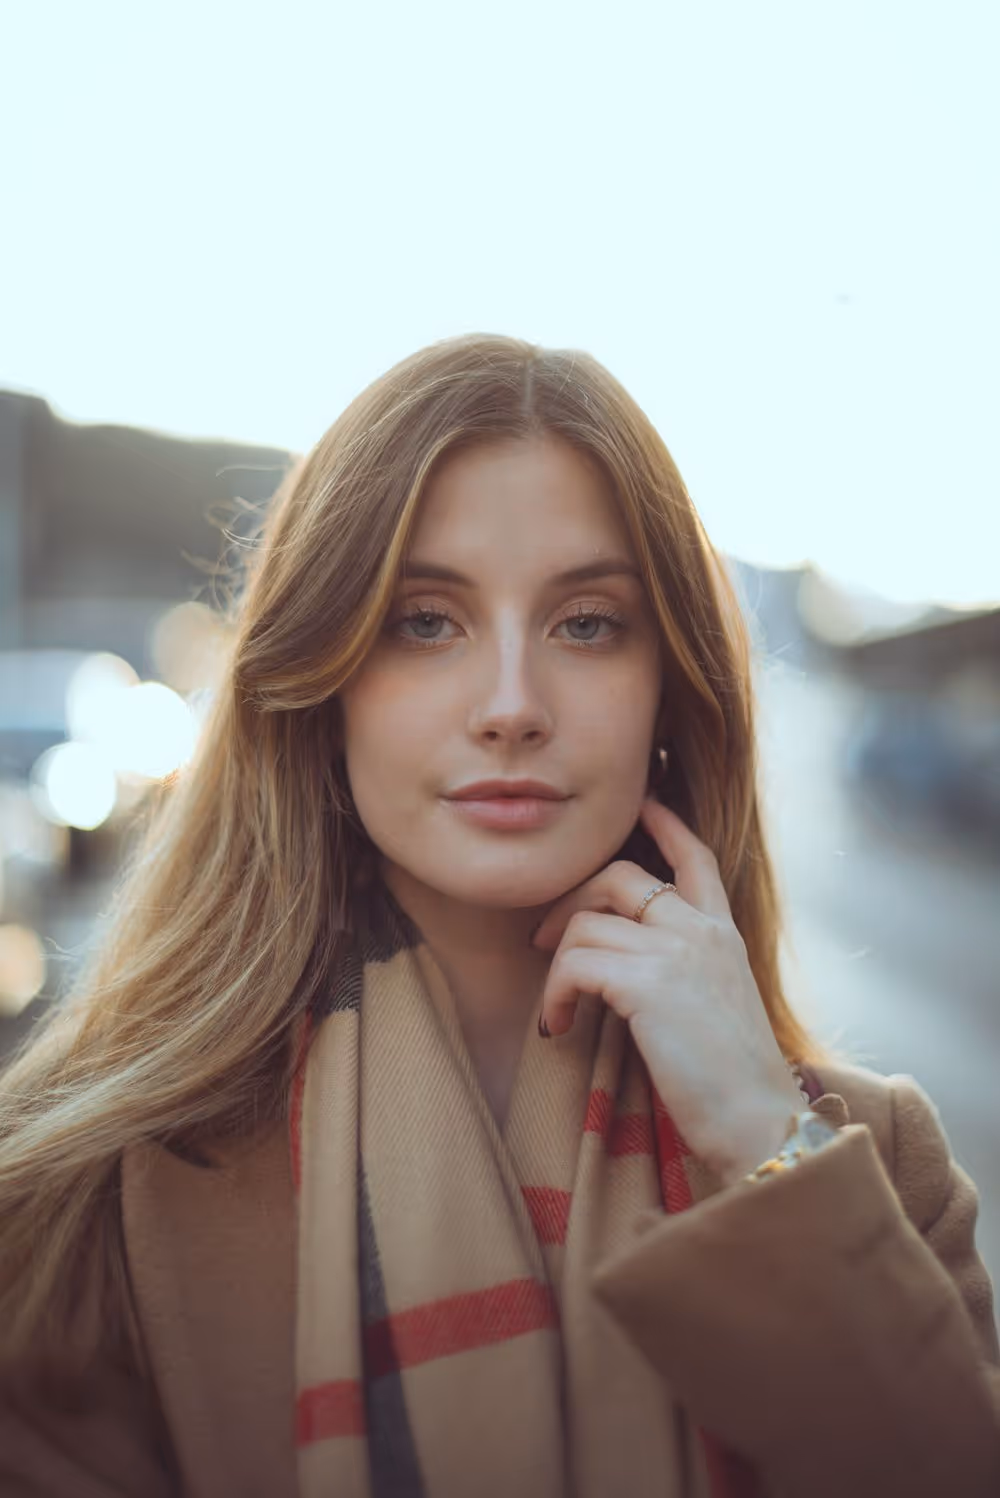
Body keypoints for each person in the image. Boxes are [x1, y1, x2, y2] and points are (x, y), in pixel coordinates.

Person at [0, 333, 997, 1498]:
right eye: (426, 620)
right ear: (321, 689)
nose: (512, 706)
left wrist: (761, 1140)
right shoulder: (96, 1198)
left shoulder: (870, 1165)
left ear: (669, 693)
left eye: (586, 623)